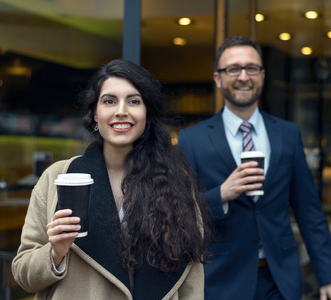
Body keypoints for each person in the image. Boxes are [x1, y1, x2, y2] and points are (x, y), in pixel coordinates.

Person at [12, 59, 207, 300]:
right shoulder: (57, 177)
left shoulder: (177, 181)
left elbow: (192, 280)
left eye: (134, 101)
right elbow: (23, 274)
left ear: (147, 113)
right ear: (95, 113)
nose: (121, 110)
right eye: (109, 101)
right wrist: (55, 253)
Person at [177, 35, 331, 300]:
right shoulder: (192, 139)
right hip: (221, 282)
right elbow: (179, 213)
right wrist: (221, 194)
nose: (244, 76)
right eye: (233, 69)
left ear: (262, 75)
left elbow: (310, 213)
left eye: (251, 68)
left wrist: (328, 277)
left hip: (280, 281)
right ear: (218, 78)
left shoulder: (287, 134)